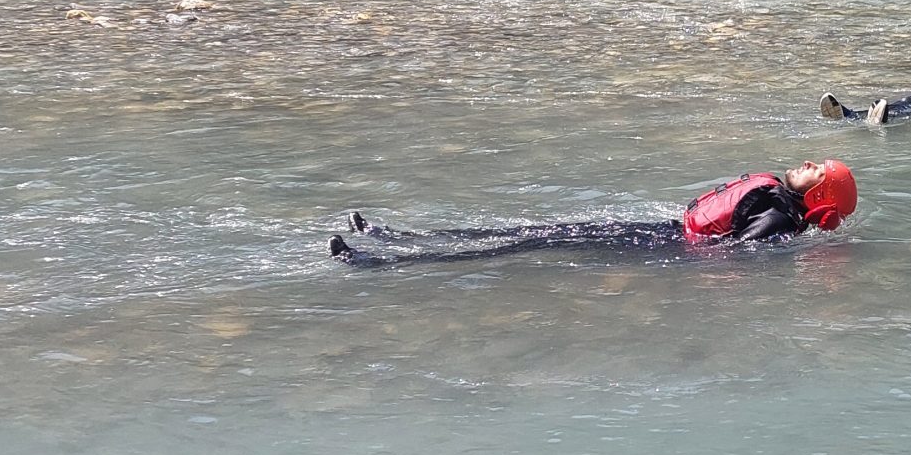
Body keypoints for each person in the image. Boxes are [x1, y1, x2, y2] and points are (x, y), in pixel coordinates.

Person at [328, 159, 858, 266]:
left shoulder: (782, 215)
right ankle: (398, 235)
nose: (808, 164)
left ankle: (382, 260)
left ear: (819, 197)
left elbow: (737, 254)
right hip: (664, 233)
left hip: (665, 247)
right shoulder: (780, 203)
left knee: (532, 243)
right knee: (538, 233)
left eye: (819, 171)